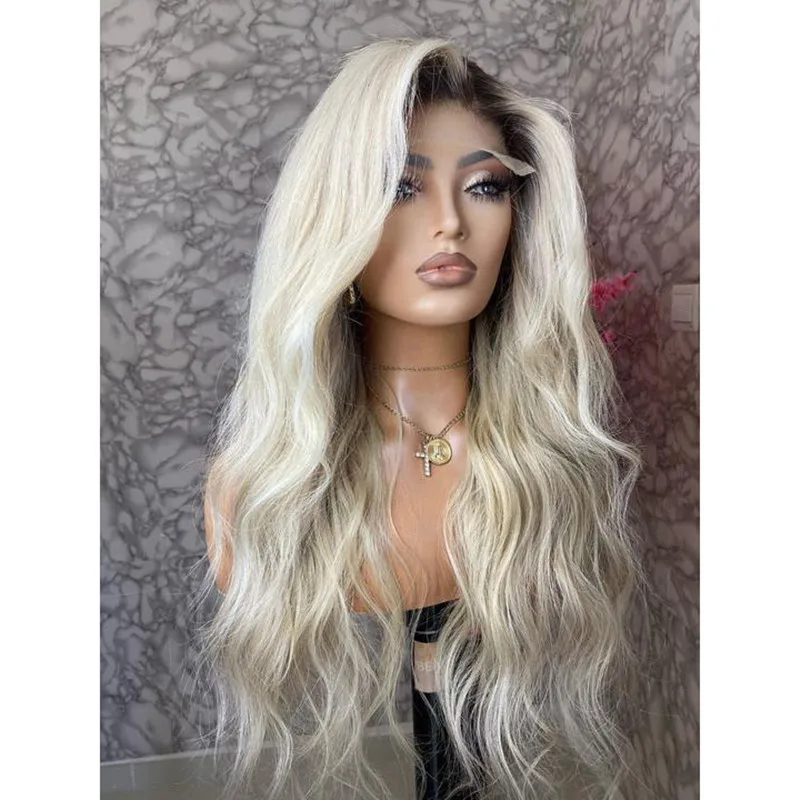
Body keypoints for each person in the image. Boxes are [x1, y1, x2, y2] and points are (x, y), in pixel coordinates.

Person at [201, 37, 646, 800]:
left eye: (485, 187)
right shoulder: (260, 490)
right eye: (402, 186)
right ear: (336, 219)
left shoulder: (554, 463)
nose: (449, 223)